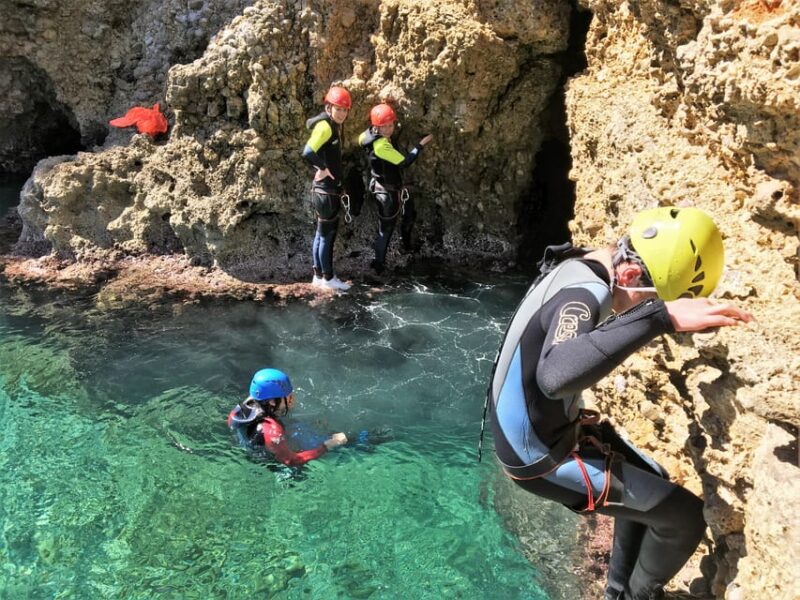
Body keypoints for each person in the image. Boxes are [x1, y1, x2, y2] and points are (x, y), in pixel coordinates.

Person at [484, 207, 753, 600]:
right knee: (684, 519)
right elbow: (556, 377)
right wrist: (659, 316)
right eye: (647, 298)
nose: (640, 308)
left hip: (540, 429)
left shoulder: (579, 264)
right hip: (537, 456)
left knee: (652, 475)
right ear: (628, 275)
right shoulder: (585, 294)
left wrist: (655, 309)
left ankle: (615, 592)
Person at [358, 103, 433, 274]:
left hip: (383, 187)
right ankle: (378, 266)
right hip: (388, 193)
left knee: (409, 214)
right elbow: (405, 162)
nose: (388, 130)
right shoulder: (381, 146)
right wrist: (421, 144)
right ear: (376, 126)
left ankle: (407, 247)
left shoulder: (366, 136)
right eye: (383, 126)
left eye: (390, 125)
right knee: (386, 230)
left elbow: (362, 138)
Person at [227, 368, 348, 466]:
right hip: (269, 462)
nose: (292, 399)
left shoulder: (243, 408)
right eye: (288, 397)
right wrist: (327, 446)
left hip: (250, 446)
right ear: (272, 402)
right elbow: (291, 461)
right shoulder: (272, 430)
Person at [301, 86, 352, 291]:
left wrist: (322, 167)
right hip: (326, 192)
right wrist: (323, 168)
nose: (342, 113)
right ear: (328, 107)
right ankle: (329, 278)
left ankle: (318, 276)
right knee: (327, 237)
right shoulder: (325, 127)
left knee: (321, 234)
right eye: (338, 109)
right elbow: (308, 152)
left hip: (323, 191)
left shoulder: (330, 125)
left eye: (345, 110)